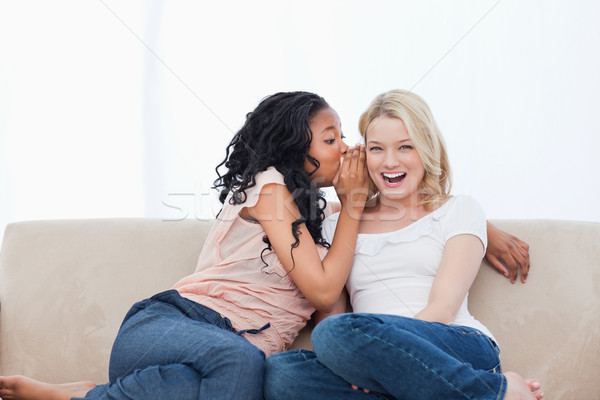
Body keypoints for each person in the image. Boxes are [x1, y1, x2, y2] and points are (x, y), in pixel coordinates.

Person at [0, 91, 530, 400]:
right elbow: (329, 301)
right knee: (267, 371)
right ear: (297, 151)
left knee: (256, 369)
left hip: (434, 342)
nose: (347, 149)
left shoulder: (337, 219)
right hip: (181, 322)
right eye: (338, 140)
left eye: (402, 147)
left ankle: (80, 395)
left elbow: (384, 293)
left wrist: (482, 227)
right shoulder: (295, 198)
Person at [264, 90, 543, 400]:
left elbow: (443, 307)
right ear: (362, 155)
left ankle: (494, 392)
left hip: (453, 343)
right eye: (377, 149)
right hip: (376, 358)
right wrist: (371, 362)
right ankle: (483, 391)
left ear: (426, 150)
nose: (390, 161)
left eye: (405, 147)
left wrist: (382, 352)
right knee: (282, 372)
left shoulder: (460, 210)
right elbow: (331, 315)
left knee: (336, 334)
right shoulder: (338, 224)